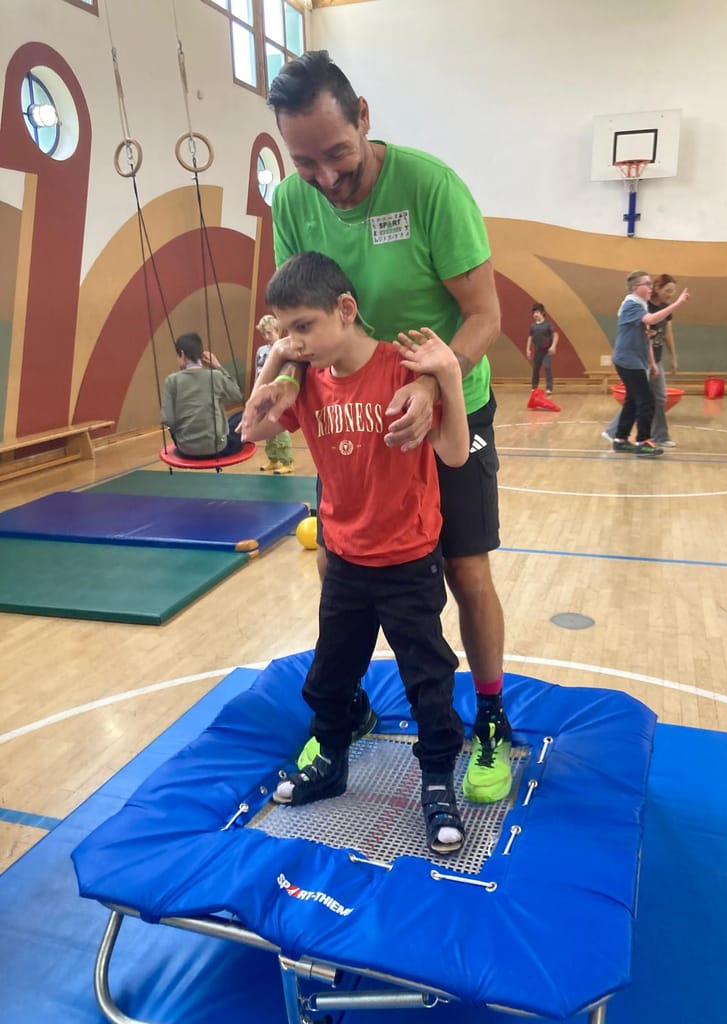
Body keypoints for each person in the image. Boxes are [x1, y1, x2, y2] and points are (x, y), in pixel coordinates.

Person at [241, 51, 511, 806]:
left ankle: (490, 716)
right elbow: (298, 314)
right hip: (350, 410)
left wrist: (431, 382)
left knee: (464, 570)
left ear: (363, 116)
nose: (325, 177)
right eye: (304, 162)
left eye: (337, 153)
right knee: (340, 559)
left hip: (446, 397)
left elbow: (485, 316)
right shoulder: (293, 200)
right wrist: (280, 385)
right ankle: (347, 708)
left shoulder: (429, 187)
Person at [251, 251, 470, 855]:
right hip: (346, 558)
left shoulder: (404, 370)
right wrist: (277, 359)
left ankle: (437, 781)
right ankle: (331, 760)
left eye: (303, 326)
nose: (295, 341)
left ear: (345, 310)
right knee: (329, 674)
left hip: (407, 559)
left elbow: (455, 454)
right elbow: (253, 429)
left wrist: (448, 376)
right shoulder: (304, 380)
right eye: (285, 330)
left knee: (428, 679)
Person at [610, 271, 689, 457]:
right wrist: (678, 303)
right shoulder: (631, 304)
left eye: (650, 283)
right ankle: (643, 442)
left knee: (632, 400)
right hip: (628, 360)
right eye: (646, 284)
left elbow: (647, 337)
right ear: (635, 288)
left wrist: (652, 362)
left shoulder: (641, 304)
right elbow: (652, 320)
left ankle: (620, 439)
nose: (650, 287)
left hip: (636, 360)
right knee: (646, 401)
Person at [161, 332, 243, 458]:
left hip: (185, 450)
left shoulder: (171, 380)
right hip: (217, 449)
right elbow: (237, 395)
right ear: (200, 355)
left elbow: (168, 419)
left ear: (182, 354)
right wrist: (218, 366)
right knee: (241, 416)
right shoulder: (216, 376)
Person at [255, 315, 295, 474]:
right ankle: (273, 459)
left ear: (277, 330)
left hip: (278, 394)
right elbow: (259, 372)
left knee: (280, 427)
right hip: (264, 393)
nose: (266, 336)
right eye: (263, 333)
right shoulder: (261, 351)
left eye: (269, 332)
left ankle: (287, 461)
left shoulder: (284, 349)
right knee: (266, 425)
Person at [526, 302, 559, 394]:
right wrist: (528, 349)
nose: (535, 314)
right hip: (538, 351)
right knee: (535, 369)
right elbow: (530, 337)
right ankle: (534, 387)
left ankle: (549, 388)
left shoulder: (548, 325)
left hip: (547, 351)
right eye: (534, 313)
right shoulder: (533, 326)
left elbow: (555, 335)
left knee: (547, 366)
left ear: (542, 313)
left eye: (537, 312)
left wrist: (553, 346)